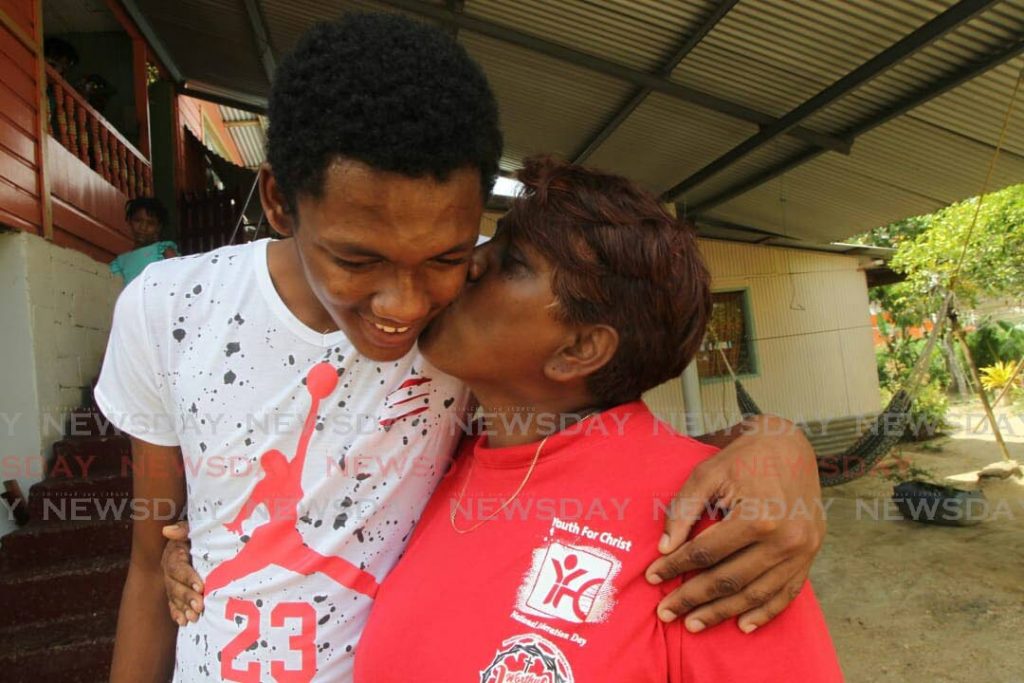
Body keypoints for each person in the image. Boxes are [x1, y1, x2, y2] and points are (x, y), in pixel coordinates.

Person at [101, 13, 823, 683]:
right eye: (356, 261)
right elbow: (147, 559)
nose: (405, 305)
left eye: (451, 254)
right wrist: (185, 541)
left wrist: (779, 445)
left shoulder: (471, 331)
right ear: (281, 203)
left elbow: (609, 400)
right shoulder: (169, 308)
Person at [354, 155, 842, 681]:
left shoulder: (712, 523)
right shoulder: (438, 445)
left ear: (580, 350)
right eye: (490, 240)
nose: (470, 262)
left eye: (513, 263)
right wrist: (774, 433)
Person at [109, 197, 178, 285]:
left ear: (158, 227)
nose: (143, 227)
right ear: (129, 221)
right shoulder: (120, 262)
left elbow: (178, 275)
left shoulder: (163, 250)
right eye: (137, 221)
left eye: (150, 223)